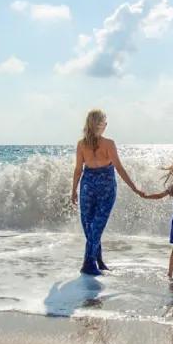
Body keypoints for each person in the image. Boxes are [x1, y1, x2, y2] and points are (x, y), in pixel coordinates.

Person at [71, 109, 142, 276]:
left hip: (88, 185)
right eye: (105, 123)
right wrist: (134, 187)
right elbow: (118, 167)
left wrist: (74, 190)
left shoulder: (82, 143)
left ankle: (97, 260)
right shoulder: (108, 143)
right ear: (101, 125)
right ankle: (89, 262)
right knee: (95, 225)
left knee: (92, 225)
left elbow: (78, 170)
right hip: (105, 186)